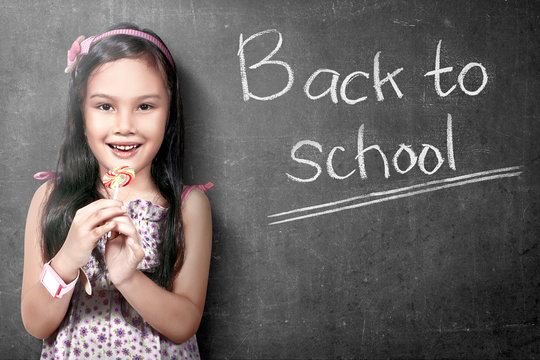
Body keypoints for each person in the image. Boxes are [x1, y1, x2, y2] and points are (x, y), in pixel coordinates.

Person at [21, 23, 212, 359]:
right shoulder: (51, 199)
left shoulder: (187, 206)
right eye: (105, 106)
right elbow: (36, 324)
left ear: (169, 113)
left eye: (145, 106)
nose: (125, 125)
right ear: (81, 111)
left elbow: (184, 325)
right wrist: (67, 259)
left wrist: (127, 277)